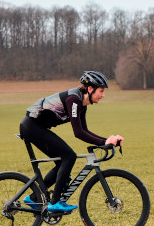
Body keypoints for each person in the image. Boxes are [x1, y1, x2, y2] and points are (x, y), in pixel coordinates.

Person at [19, 71, 124, 213]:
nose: (103, 95)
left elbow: (85, 130)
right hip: (31, 127)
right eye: (101, 91)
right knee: (69, 156)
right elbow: (78, 133)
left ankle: (33, 198)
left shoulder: (82, 104)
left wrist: (106, 141)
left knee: (63, 163)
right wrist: (105, 141)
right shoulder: (74, 99)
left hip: (35, 127)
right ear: (90, 89)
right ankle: (54, 203)